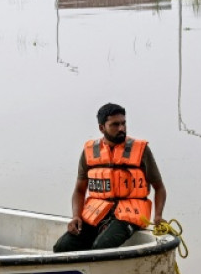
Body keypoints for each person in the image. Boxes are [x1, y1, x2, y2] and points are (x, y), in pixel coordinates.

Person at [53, 103, 168, 252]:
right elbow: (79, 190)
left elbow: (159, 188)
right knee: (62, 247)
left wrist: (158, 216)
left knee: (101, 248)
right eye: (115, 124)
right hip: (97, 212)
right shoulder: (89, 152)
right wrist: (76, 216)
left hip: (129, 214)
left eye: (123, 123)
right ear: (102, 128)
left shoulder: (141, 150)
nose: (121, 128)